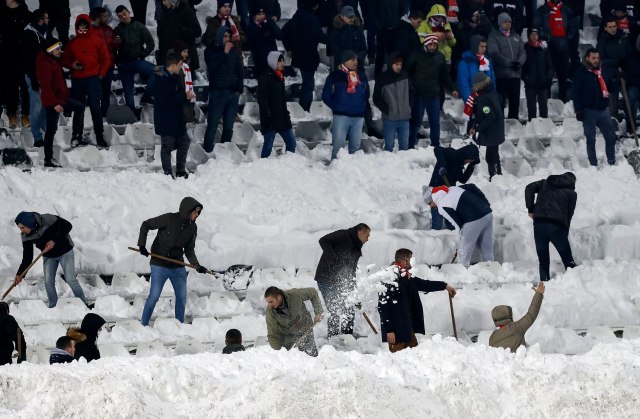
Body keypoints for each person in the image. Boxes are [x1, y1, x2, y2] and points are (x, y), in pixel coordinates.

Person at [137, 197, 208, 326]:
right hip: (159, 263)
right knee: (154, 296)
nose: (197, 215)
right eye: (195, 212)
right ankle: (143, 324)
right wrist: (142, 245)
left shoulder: (193, 228)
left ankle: (178, 325)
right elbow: (146, 224)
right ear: (187, 210)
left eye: (198, 212)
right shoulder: (169, 218)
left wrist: (196, 265)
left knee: (181, 296)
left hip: (177, 265)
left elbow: (189, 250)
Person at [378, 248, 456, 352]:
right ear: (404, 261)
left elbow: (425, 285)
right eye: (411, 259)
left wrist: (445, 286)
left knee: (414, 355)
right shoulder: (388, 279)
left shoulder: (408, 277)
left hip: (407, 327)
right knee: (397, 362)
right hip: (396, 331)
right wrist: (389, 330)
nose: (413, 262)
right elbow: (383, 307)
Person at [14, 211, 88, 308]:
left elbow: (67, 226)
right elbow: (27, 257)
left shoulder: (47, 219)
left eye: (22, 227)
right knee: (48, 282)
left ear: (29, 223)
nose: (22, 231)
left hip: (65, 252)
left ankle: (83, 305)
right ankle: (53, 307)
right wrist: (20, 274)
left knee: (70, 279)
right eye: (20, 228)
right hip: (49, 256)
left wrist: (54, 241)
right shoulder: (25, 236)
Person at [60, 14, 111, 148]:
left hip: (93, 79)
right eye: (80, 26)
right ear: (77, 26)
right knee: (79, 108)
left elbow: (106, 58)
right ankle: (76, 136)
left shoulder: (97, 40)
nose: (82, 28)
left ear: (88, 25)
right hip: (78, 79)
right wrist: (73, 65)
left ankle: (99, 136)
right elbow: (64, 59)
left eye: (84, 25)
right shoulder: (72, 43)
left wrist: (101, 73)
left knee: (95, 107)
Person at [314, 223, 370, 337]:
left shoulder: (357, 247)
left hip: (340, 281)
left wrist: (353, 289)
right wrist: (333, 258)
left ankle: (347, 337)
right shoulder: (344, 235)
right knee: (334, 310)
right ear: (360, 232)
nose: (368, 239)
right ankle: (333, 339)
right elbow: (323, 240)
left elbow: (352, 269)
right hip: (326, 279)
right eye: (367, 236)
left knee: (348, 309)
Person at [36, 38, 85, 167]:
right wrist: (54, 104)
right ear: (50, 50)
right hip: (53, 102)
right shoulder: (44, 64)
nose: (60, 51)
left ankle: (76, 137)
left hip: (61, 99)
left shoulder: (53, 61)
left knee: (80, 107)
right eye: (57, 49)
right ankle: (48, 159)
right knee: (51, 130)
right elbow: (45, 86)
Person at [147, 52, 195, 178]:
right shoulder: (160, 79)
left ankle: (180, 170)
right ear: (173, 65)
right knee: (167, 146)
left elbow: (177, 96)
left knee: (184, 142)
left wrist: (187, 97)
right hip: (166, 119)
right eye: (179, 64)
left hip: (178, 118)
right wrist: (184, 96)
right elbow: (166, 100)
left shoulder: (174, 76)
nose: (181, 67)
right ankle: (167, 173)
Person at [407, 34, 459, 149]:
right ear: (425, 44)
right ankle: (410, 145)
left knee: (435, 121)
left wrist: (452, 89)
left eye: (434, 44)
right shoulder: (416, 55)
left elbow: (445, 76)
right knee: (416, 121)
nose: (432, 47)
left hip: (434, 94)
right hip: (419, 94)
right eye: (430, 44)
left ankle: (435, 145)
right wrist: (411, 87)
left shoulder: (440, 57)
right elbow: (408, 72)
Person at [525, 172, 578, 281]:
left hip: (539, 224)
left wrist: (531, 209)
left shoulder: (545, 183)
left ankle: (544, 284)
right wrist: (565, 234)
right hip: (556, 228)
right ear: (572, 182)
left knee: (543, 260)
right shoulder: (572, 194)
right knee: (568, 259)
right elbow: (569, 215)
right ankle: (575, 283)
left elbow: (529, 188)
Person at [425, 184, 493, 267]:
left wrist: (460, 238)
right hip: (487, 213)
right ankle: (491, 269)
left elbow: (456, 224)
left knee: (464, 249)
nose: (431, 206)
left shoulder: (442, 206)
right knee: (486, 248)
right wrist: (485, 204)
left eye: (429, 204)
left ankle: (462, 272)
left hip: (474, 218)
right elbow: (472, 187)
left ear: (432, 199)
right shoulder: (452, 189)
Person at [572, 48, 618, 166]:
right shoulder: (581, 72)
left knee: (610, 136)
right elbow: (576, 92)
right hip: (588, 110)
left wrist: (614, 81)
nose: (596, 60)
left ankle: (612, 161)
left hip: (603, 110)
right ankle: (593, 164)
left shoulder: (603, 71)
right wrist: (578, 109)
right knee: (591, 139)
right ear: (587, 58)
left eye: (597, 58)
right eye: (593, 58)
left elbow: (610, 88)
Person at [203, 27, 244, 152]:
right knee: (213, 124)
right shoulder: (210, 51)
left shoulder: (235, 51)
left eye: (228, 36)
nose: (227, 39)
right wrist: (224, 53)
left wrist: (239, 89)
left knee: (228, 126)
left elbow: (239, 70)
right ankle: (207, 152)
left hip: (233, 93)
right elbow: (212, 67)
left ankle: (224, 152)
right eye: (225, 36)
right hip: (218, 92)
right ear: (219, 36)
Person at [323, 51, 369, 159]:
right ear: (345, 61)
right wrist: (336, 106)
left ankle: (352, 172)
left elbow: (366, 94)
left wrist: (362, 106)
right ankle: (335, 171)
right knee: (338, 148)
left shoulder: (361, 76)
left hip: (358, 117)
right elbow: (326, 95)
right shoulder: (335, 76)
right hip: (341, 116)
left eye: (356, 59)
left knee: (355, 148)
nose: (356, 62)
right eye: (352, 59)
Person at [282, 0, 327, 112]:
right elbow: (319, 35)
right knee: (308, 84)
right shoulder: (312, 19)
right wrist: (332, 40)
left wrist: (289, 48)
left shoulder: (297, 15)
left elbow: (284, 31)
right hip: (308, 54)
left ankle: (307, 108)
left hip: (299, 54)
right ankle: (304, 109)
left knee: (308, 83)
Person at [113, 5, 156, 114]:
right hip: (124, 64)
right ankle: (132, 116)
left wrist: (143, 54)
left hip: (137, 61)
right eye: (120, 16)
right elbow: (112, 49)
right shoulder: (117, 30)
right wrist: (117, 61)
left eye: (124, 14)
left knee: (158, 71)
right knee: (128, 92)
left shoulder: (139, 26)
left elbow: (151, 43)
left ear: (129, 12)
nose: (123, 17)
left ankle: (146, 97)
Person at [427, 144, 480, 230]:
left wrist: (471, 166)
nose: (467, 163)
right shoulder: (451, 153)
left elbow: (463, 179)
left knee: (452, 223)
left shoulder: (459, 165)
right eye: (469, 160)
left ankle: (450, 238)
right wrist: (443, 165)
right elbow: (437, 149)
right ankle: (433, 239)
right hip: (436, 191)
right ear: (465, 154)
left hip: (448, 195)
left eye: (470, 162)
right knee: (437, 222)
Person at [534, 0, 577, 103]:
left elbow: (572, 28)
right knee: (547, 77)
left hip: (563, 49)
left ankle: (563, 103)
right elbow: (536, 27)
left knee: (563, 78)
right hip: (548, 49)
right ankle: (546, 103)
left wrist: (567, 39)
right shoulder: (541, 10)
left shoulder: (567, 10)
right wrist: (547, 38)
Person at [264, 286, 324, 357]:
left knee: (311, 355)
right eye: (268, 302)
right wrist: (279, 353)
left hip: (306, 328)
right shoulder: (270, 312)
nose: (269, 305)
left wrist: (318, 312)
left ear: (279, 297)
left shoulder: (294, 295)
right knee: (294, 360)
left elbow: (313, 292)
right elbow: (273, 335)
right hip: (289, 337)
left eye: (271, 301)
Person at [258, 52, 297, 158]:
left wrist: (286, 113)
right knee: (268, 147)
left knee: (292, 144)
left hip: (282, 117)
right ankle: (261, 169)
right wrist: (268, 114)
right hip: (270, 119)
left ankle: (287, 163)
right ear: (273, 61)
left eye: (283, 60)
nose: (282, 63)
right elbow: (262, 99)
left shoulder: (280, 76)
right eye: (280, 60)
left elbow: (282, 99)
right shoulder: (265, 77)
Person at [487, 12, 525, 120]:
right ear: (500, 23)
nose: (508, 24)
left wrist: (519, 63)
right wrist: (509, 63)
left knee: (515, 102)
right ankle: (500, 123)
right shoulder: (493, 36)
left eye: (509, 22)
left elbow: (523, 52)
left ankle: (513, 124)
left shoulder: (516, 36)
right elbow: (494, 53)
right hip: (502, 75)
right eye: (505, 22)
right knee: (500, 101)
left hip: (515, 75)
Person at [0, 0, 32, 129]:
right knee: (9, 85)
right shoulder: (2, 12)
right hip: (6, 54)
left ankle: (25, 114)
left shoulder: (26, 13)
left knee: (25, 85)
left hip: (23, 55)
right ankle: (11, 113)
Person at [467, 72, 505, 180]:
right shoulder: (493, 93)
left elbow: (489, 117)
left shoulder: (483, 98)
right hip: (497, 129)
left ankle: (494, 177)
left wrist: (477, 128)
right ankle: (498, 175)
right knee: (494, 152)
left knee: (490, 157)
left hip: (492, 131)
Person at [373, 53, 413, 152]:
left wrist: (409, 107)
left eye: (400, 64)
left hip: (404, 118)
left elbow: (412, 92)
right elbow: (376, 97)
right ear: (391, 64)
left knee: (404, 148)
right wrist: (387, 109)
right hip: (390, 119)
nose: (399, 67)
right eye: (396, 64)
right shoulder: (382, 78)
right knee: (389, 147)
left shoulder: (405, 76)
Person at [22, 10, 50, 147]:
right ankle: (37, 137)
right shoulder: (29, 34)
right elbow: (28, 59)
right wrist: (33, 77)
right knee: (36, 106)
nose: (47, 20)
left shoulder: (44, 32)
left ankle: (45, 129)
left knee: (45, 103)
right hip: (33, 74)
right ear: (39, 20)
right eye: (45, 18)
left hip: (45, 74)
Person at [489, 282, 545, 352]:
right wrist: (539, 294)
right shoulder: (516, 328)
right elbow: (531, 315)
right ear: (508, 316)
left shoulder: (492, 337)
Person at [597, 17, 632, 121]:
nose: (613, 29)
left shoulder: (623, 38)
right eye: (610, 27)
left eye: (614, 26)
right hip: (610, 75)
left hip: (624, 73)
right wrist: (616, 62)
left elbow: (629, 53)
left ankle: (630, 122)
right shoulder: (602, 41)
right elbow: (601, 59)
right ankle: (614, 123)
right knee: (613, 101)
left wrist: (625, 63)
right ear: (605, 28)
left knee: (629, 99)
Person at [157, 0, 202, 74]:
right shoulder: (164, 14)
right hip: (170, 64)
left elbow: (197, 31)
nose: (163, 3)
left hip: (186, 62)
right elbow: (162, 40)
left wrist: (181, 29)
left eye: (165, 0)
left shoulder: (186, 10)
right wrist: (161, 60)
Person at [91, 7, 117, 118]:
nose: (107, 18)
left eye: (107, 16)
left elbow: (112, 48)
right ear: (98, 17)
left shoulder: (109, 29)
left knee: (106, 92)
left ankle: (104, 116)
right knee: (96, 94)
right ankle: (96, 116)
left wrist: (116, 43)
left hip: (109, 67)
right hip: (96, 68)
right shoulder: (90, 30)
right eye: (105, 16)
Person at [522, 28, 554, 120]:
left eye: (536, 34)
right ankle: (532, 126)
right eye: (532, 34)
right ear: (529, 36)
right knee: (531, 108)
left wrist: (547, 79)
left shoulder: (544, 48)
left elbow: (550, 66)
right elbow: (522, 66)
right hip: (530, 84)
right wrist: (526, 79)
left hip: (543, 83)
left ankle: (544, 127)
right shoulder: (525, 48)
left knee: (543, 107)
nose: (534, 36)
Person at [369, 0, 404, 77]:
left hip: (395, 29)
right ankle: (377, 76)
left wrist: (397, 22)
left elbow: (402, 9)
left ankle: (392, 75)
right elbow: (372, 12)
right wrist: (379, 26)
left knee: (394, 54)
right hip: (382, 30)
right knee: (380, 55)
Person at [246, 2, 282, 77]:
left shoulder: (269, 23)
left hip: (273, 58)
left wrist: (269, 22)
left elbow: (279, 35)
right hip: (260, 59)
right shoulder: (252, 26)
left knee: (277, 79)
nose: (261, 16)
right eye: (259, 14)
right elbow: (250, 37)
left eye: (263, 14)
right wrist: (257, 24)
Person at [457, 35, 496, 102]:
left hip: (488, 98)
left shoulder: (487, 60)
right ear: (475, 46)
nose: (484, 49)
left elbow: (492, 79)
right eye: (482, 46)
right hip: (473, 100)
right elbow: (464, 86)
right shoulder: (465, 63)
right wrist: (471, 102)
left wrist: (493, 96)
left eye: (485, 46)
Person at [417, 3, 457, 67]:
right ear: (432, 15)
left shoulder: (446, 24)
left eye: (442, 17)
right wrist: (435, 37)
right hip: (431, 58)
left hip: (447, 59)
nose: (440, 19)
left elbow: (453, 43)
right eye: (438, 17)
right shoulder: (424, 25)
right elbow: (421, 42)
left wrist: (450, 38)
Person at [329, 5, 367, 71]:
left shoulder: (358, 30)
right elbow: (335, 49)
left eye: (352, 16)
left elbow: (364, 49)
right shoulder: (336, 31)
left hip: (357, 66)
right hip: (341, 67)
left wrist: (356, 59)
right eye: (348, 17)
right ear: (342, 16)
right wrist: (347, 60)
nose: (351, 19)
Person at [172, 40, 196, 124]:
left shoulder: (185, 66)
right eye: (184, 51)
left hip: (185, 100)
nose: (186, 54)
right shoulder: (175, 68)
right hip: (179, 102)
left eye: (187, 51)